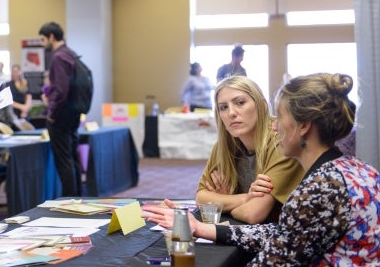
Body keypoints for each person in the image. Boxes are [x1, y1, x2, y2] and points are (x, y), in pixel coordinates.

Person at [147, 73, 380, 266]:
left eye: (281, 118)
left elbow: (271, 259)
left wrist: (226, 200)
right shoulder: (359, 170)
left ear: (303, 127)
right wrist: (202, 228)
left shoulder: (318, 190)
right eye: (223, 107)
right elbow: (283, 233)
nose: (275, 126)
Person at [144, 76, 303, 225]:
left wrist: (224, 200)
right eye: (223, 107)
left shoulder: (281, 142)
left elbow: (253, 214)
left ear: (262, 105)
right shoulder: (224, 145)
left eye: (240, 102)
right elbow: (201, 198)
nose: (231, 113)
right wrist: (246, 198)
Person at [39, 21, 83, 196]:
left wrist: (51, 113)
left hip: (60, 117)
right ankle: (78, 198)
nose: (43, 45)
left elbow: (61, 89)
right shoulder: (71, 54)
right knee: (72, 159)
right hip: (73, 113)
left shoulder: (58, 56)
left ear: (51, 37)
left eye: (43, 40)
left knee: (64, 161)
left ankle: (70, 201)